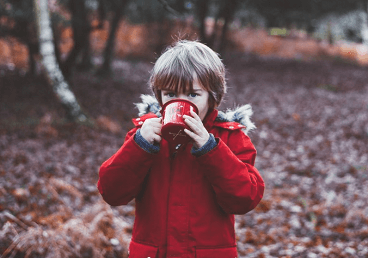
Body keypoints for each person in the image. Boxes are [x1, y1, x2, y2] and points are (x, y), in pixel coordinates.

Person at [97, 40, 265, 258]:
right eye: (170, 94)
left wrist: (210, 149)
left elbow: (245, 198)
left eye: (193, 94)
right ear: (159, 96)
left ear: (212, 96)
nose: (180, 102)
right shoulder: (145, 135)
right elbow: (112, 192)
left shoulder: (230, 137)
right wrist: (140, 145)